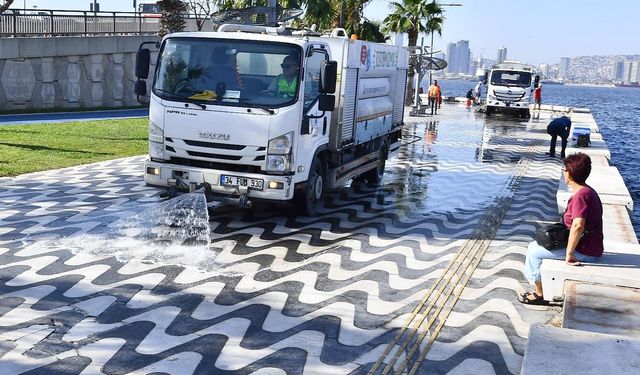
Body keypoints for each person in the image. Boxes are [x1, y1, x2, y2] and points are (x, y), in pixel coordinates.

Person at [519, 153, 603, 305]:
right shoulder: (586, 190)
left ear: (570, 174)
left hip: (585, 249)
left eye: (564, 169)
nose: (563, 172)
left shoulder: (581, 196)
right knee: (534, 246)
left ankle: (540, 294)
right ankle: (541, 289)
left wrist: (569, 254)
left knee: (533, 253)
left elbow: (578, 225)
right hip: (588, 244)